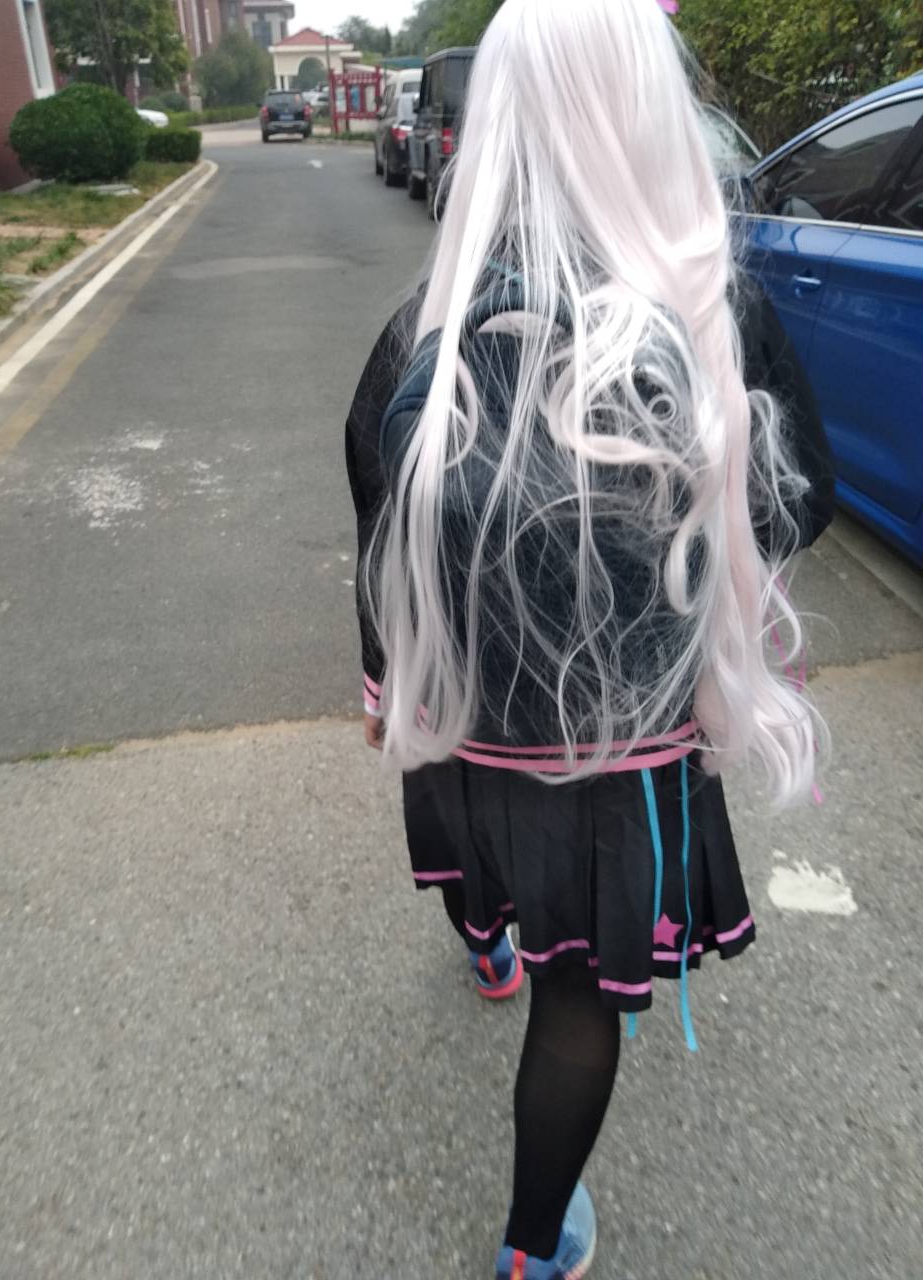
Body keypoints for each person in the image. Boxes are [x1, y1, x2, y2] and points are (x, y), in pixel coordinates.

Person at [345, 1, 834, 1275]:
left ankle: (484, 941)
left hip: (461, 718)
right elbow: (799, 507)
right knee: (578, 999)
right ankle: (532, 1245)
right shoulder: (710, 313)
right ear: (653, 111)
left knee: (487, 865)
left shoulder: (425, 325)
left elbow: (377, 526)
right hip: (625, 750)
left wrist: (385, 680)